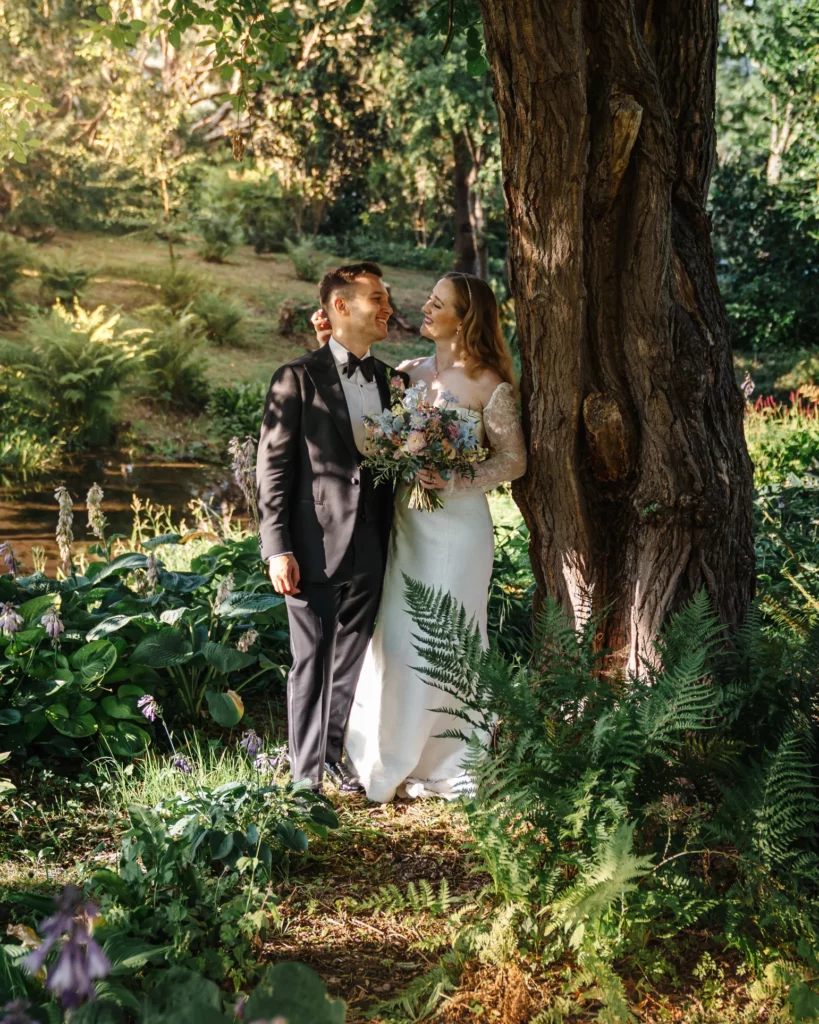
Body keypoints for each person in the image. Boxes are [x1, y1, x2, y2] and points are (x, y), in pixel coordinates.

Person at [311, 272, 527, 802]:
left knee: (451, 635)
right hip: (408, 527)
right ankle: (387, 752)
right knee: (401, 637)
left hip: (460, 532)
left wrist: (454, 478)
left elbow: (514, 460)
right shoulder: (406, 375)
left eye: (438, 304)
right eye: (428, 300)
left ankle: (453, 755)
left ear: (465, 318)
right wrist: (325, 345)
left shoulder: (490, 384)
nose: (424, 308)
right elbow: (362, 417)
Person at [256, 262, 409, 794]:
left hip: (373, 541)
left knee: (348, 659)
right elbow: (272, 469)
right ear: (340, 307)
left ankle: (332, 755)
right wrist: (277, 548)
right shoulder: (295, 377)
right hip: (311, 544)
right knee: (310, 663)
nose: (387, 306)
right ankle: (304, 780)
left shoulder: (395, 381)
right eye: (376, 297)